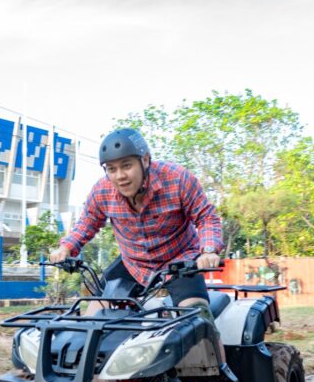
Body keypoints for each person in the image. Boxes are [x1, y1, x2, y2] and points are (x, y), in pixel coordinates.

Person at [49, 127, 223, 321]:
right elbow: (87, 222)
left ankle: (216, 348)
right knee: (94, 319)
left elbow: (206, 216)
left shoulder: (177, 179)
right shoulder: (102, 191)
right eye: (112, 169)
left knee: (198, 320)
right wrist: (66, 247)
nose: (120, 176)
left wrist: (208, 250)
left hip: (180, 260)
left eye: (126, 165)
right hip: (133, 262)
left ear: (145, 160)